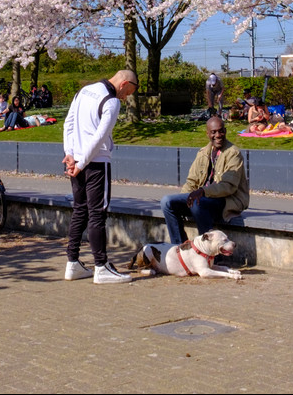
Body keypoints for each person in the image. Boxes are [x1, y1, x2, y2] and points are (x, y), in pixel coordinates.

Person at [62, 69, 139, 284]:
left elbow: (68, 123)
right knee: (97, 213)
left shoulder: (84, 91)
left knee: (80, 210)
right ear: (124, 84)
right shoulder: (112, 101)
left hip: (76, 159)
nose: (126, 97)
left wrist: (70, 154)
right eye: (128, 92)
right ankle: (101, 266)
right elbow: (100, 136)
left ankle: (72, 263)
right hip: (95, 163)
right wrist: (82, 162)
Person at [160, 116, 250, 244]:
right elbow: (192, 182)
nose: (218, 135)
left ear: (225, 131)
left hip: (226, 200)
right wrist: (183, 199)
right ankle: (180, 247)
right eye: (213, 132)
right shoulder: (203, 153)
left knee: (198, 203)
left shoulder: (233, 153)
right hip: (203, 199)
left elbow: (228, 186)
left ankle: (210, 252)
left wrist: (203, 191)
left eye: (221, 131)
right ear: (207, 134)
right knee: (167, 202)